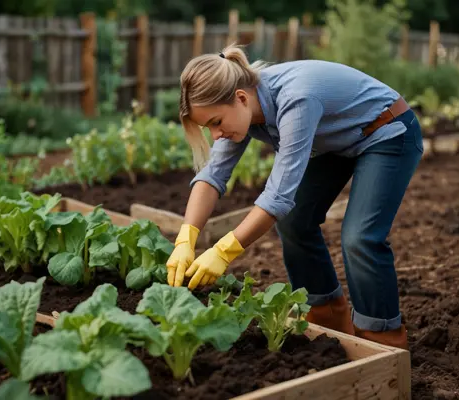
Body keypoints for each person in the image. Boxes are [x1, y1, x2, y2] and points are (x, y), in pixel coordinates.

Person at [165, 43, 423, 350]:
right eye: (208, 128)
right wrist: (186, 237)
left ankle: (382, 340)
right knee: (294, 222)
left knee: (360, 237)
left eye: (216, 123)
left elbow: (277, 195)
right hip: (337, 141)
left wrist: (223, 252)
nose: (215, 135)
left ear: (241, 98)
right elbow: (212, 176)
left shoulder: (296, 100)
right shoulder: (241, 110)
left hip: (387, 130)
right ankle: (327, 319)